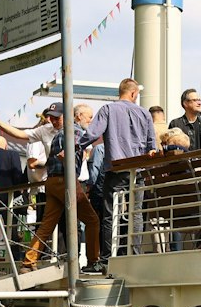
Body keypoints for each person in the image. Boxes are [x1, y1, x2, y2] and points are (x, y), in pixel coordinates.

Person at [82, 78, 159, 269]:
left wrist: (74, 146)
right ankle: (134, 253)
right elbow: (152, 146)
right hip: (138, 170)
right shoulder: (144, 113)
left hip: (116, 168)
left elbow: (92, 134)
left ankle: (108, 258)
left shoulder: (108, 109)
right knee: (136, 213)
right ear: (133, 93)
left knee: (110, 214)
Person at [16, 104, 101, 272]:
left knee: (47, 225)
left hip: (52, 182)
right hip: (66, 181)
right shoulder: (75, 131)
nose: (91, 121)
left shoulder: (57, 134)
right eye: (89, 117)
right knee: (92, 221)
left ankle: (28, 261)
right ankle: (93, 261)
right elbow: (70, 153)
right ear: (77, 116)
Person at [169, 88, 201, 153]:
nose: (199, 103)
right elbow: (170, 148)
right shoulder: (175, 124)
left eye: (200, 100)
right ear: (185, 103)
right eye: (195, 100)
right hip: (184, 162)